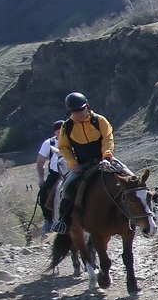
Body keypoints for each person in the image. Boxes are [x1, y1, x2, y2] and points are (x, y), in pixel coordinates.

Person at [52, 92, 116, 234]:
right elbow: (64, 147)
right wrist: (73, 164)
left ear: (87, 106)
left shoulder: (99, 120)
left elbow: (108, 139)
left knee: (130, 177)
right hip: (81, 164)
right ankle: (63, 221)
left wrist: (106, 157)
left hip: (104, 159)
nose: (79, 114)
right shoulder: (67, 126)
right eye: (75, 112)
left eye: (81, 110)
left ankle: (137, 215)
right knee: (67, 187)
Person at [36, 120, 69, 237]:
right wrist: (41, 178)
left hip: (72, 170)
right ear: (56, 132)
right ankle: (48, 220)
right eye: (61, 131)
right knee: (44, 192)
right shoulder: (48, 143)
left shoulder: (74, 139)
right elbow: (40, 162)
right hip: (56, 173)